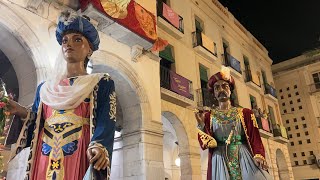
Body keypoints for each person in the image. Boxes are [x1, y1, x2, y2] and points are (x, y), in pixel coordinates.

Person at [5, 11, 116, 180]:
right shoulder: (45, 88)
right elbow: (37, 121)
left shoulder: (101, 82)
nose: (68, 44)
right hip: (44, 151)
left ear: (90, 49)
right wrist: (20, 111)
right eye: (65, 40)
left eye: (77, 39)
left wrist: (100, 145)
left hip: (78, 149)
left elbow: (106, 120)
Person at [195, 67, 271, 180]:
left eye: (224, 86)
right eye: (217, 88)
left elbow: (255, 137)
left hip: (243, 155)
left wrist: (259, 155)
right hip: (219, 158)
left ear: (230, 90)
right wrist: (201, 125)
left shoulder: (245, 113)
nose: (221, 90)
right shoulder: (207, 116)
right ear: (214, 93)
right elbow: (205, 144)